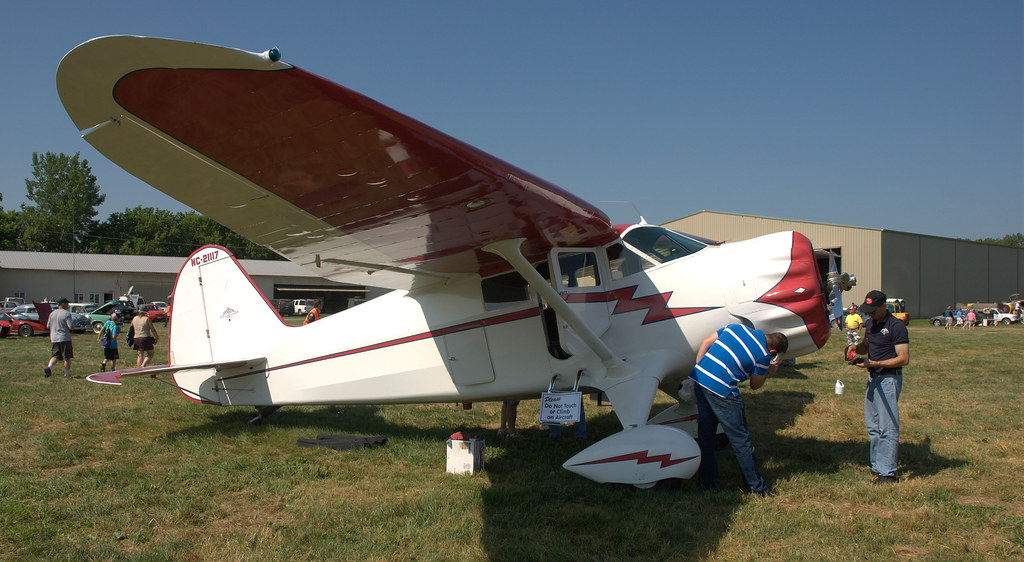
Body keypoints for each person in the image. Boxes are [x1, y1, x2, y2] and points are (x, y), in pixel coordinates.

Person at [688, 323, 787, 496]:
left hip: (700, 380)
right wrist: (769, 370)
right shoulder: (764, 355)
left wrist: (700, 368)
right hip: (722, 391)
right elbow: (755, 385)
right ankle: (757, 488)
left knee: (706, 435)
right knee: (741, 441)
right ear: (773, 352)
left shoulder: (736, 327)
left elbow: (705, 342)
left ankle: (706, 483)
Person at [846, 290, 909, 485]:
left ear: (884, 307)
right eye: (868, 311)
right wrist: (856, 348)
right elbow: (867, 344)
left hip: (888, 379)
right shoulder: (871, 324)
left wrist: (873, 364)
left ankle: (888, 473)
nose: (870, 314)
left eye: (873, 311)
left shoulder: (896, 326)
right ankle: (878, 466)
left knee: (887, 426)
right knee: (873, 426)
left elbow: (903, 358)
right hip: (873, 378)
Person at [44, 297, 74, 378]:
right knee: (67, 357)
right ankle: (67, 374)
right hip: (64, 338)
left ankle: (49, 367)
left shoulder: (52, 314)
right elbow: (70, 326)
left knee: (55, 356)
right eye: (67, 303)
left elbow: (48, 326)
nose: (68, 305)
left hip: (54, 338)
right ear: (63, 304)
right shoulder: (66, 314)